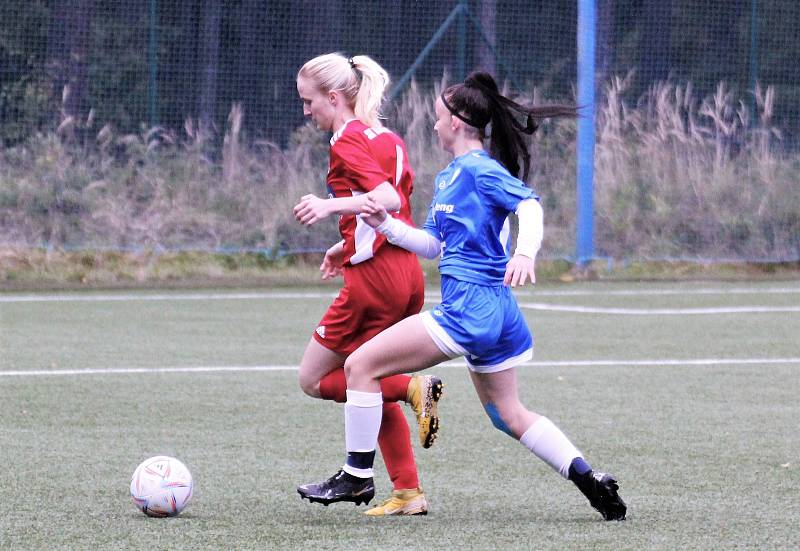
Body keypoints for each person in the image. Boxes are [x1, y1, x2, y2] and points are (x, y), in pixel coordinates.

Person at [298, 72, 628, 521]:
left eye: (437, 119)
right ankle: (589, 479)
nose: (433, 127)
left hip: (470, 307)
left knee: (359, 365)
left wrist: (525, 252)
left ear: (456, 123)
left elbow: (528, 205)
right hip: (495, 314)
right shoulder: (452, 177)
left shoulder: (479, 169)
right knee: (507, 415)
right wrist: (383, 225)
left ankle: (356, 474)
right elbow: (433, 245)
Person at [292, 52, 444, 516]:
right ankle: (408, 492)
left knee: (315, 379)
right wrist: (349, 245)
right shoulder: (388, 137)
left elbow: (384, 197)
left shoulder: (347, 140)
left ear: (334, 97)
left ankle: (410, 388)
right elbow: (394, 210)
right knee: (366, 377)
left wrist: (327, 206)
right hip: (404, 272)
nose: (305, 111)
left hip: (374, 284)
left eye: (308, 101)